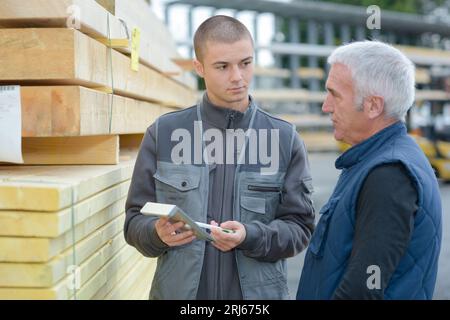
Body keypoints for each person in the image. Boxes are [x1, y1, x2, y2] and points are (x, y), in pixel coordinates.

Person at [124, 15, 315, 300]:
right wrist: (156, 234)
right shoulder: (163, 133)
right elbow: (133, 222)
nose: (238, 77)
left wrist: (250, 236)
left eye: (245, 63)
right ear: (199, 67)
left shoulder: (284, 138)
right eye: (223, 66)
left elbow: (300, 228)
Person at [296, 41, 442, 300]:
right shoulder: (374, 161)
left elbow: (361, 291)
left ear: (373, 106)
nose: (326, 106)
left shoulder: (389, 175)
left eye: (335, 94)